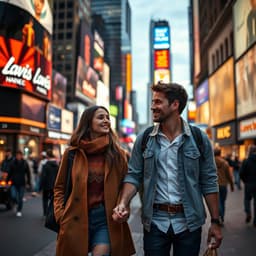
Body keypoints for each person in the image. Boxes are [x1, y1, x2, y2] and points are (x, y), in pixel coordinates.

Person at [113, 81, 222, 256]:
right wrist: (123, 203)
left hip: (189, 223)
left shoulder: (198, 139)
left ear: (175, 105)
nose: (152, 107)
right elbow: (133, 176)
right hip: (155, 223)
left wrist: (215, 222)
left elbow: (209, 181)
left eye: (157, 102)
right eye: (152, 102)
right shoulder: (145, 138)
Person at [54, 106, 135, 256]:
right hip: (74, 218)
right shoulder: (72, 153)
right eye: (100, 117)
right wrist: (61, 215)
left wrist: (124, 206)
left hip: (105, 219)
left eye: (107, 118)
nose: (106, 121)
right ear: (88, 122)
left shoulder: (118, 154)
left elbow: (126, 186)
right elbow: (59, 187)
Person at [7, 150, 31, 217]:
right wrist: (7, 181)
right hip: (14, 183)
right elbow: (9, 173)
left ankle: (19, 210)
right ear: (16, 156)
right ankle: (16, 203)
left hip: (22, 183)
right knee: (13, 196)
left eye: (20, 155)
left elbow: (28, 173)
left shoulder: (25, 163)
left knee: (20, 197)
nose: (18, 156)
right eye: (17, 155)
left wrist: (28, 183)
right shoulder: (12, 163)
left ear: (22, 156)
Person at [214, 147, 234, 226]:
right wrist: (232, 184)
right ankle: (222, 217)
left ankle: (218, 216)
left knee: (217, 202)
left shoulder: (211, 162)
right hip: (223, 185)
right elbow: (229, 175)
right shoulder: (225, 163)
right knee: (222, 201)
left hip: (215, 185)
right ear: (220, 153)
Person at [239, 145, 256, 227]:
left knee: (247, 199)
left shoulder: (246, 161)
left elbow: (241, 173)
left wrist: (245, 181)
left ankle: (248, 212)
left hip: (249, 184)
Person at [40, 149, 58, 217]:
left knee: (45, 199)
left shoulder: (45, 165)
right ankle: (52, 212)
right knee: (53, 199)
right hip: (54, 185)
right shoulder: (56, 165)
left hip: (46, 185)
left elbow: (43, 176)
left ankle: (45, 213)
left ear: (47, 156)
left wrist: (40, 186)